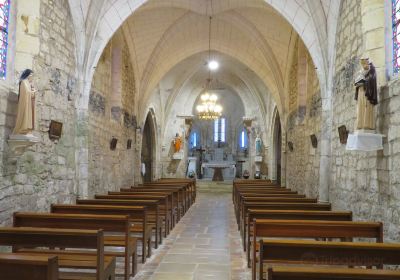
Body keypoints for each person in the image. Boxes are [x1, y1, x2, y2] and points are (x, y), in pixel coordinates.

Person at [354, 58, 378, 130]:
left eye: (365, 63)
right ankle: (360, 124)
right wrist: (357, 84)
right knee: (360, 107)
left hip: (367, 92)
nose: (364, 65)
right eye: (362, 64)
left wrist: (365, 82)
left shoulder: (372, 70)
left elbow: (372, 79)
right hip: (361, 92)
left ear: (367, 62)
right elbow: (356, 81)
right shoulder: (361, 72)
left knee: (367, 106)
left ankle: (368, 125)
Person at [13, 69, 37, 136]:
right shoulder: (23, 82)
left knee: (28, 115)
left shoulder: (28, 84)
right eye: (31, 75)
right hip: (24, 104)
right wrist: (32, 92)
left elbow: (30, 94)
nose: (32, 77)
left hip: (28, 104)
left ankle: (26, 129)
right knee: (24, 115)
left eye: (32, 75)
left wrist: (33, 92)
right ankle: (22, 128)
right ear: (27, 75)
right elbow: (25, 93)